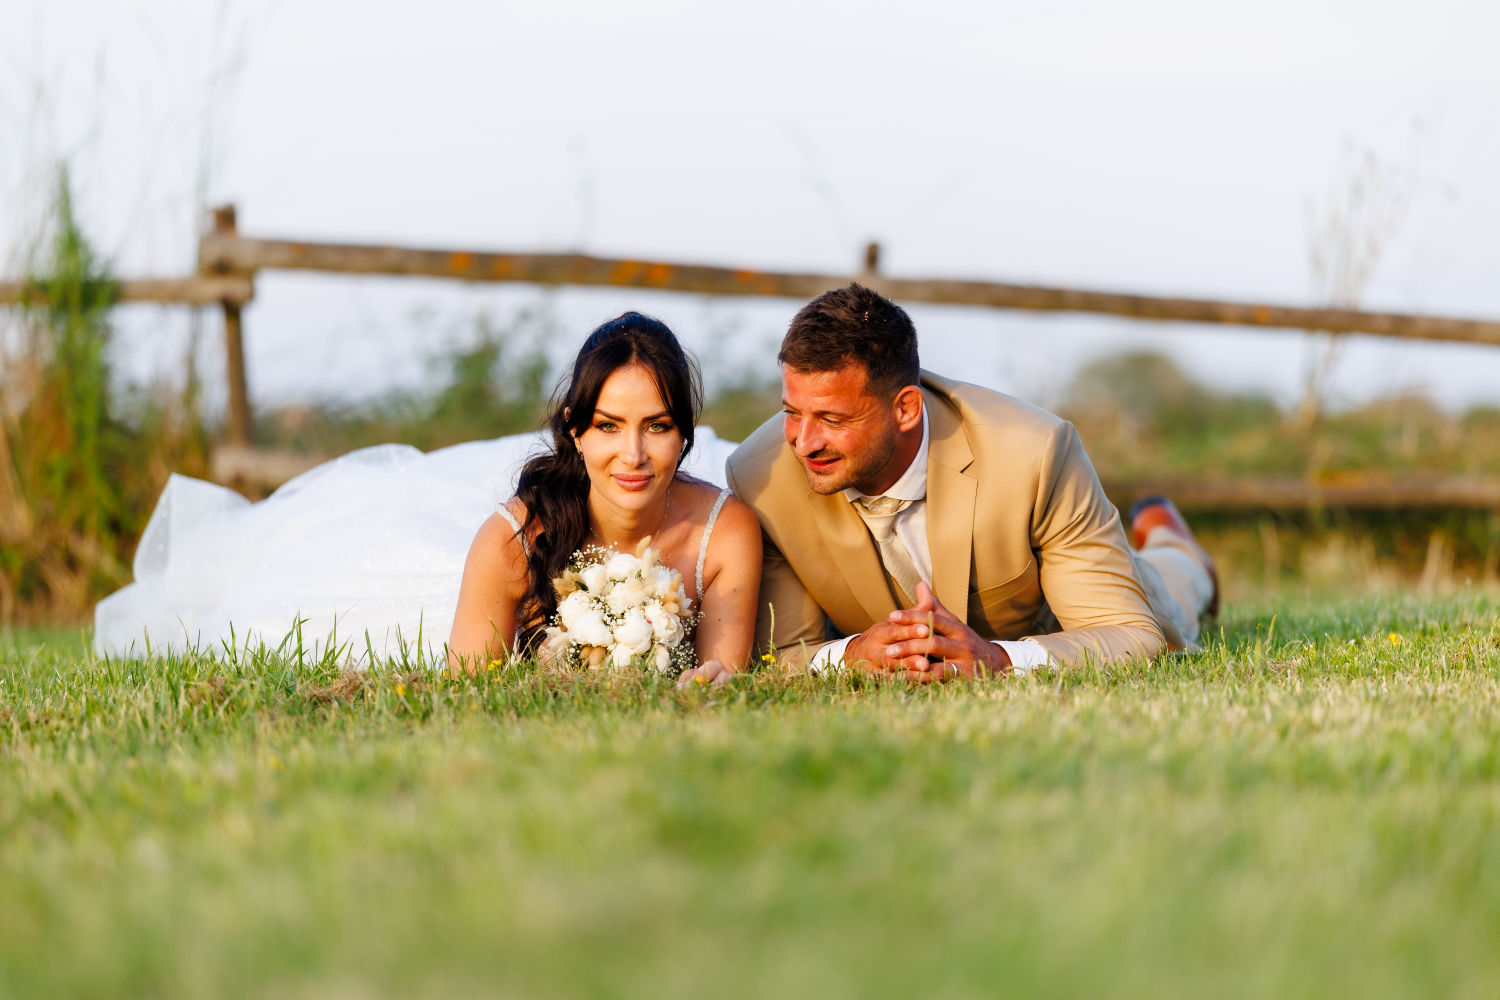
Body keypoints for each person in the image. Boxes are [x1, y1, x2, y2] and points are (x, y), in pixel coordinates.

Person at [726, 283, 1218, 679]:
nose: (803, 442)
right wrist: (852, 655)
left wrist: (1000, 661)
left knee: (1170, 592)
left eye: (832, 419)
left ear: (905, 408)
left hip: (1045, 618)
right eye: (792, 412)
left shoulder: (1035, 453)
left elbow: (1130, 634)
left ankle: (1176, 547)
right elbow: (783, 655)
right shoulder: (760, 477)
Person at [447, 312, 762, 679]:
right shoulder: (512, 539)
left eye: (657, 426)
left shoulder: (726, 532)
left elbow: (720, 682)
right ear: (576, 430)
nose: (633, 454)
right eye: (608, 426)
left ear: (684, 434)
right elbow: (465, 688)